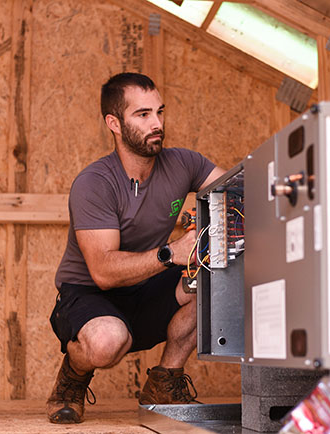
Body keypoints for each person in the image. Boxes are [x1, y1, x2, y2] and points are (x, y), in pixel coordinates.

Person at [45, 72, 225, 424]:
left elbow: (238, 188)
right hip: (89, 293)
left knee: (215, 278)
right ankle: (73, 377)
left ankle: (165, 381)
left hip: (148, 289)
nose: (157, 123)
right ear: (114, 123)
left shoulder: (184, 163)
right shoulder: (94, 183)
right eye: (142, 115)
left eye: (159, 112)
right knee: (107, 341)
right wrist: (170, 252)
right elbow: (104, 272)